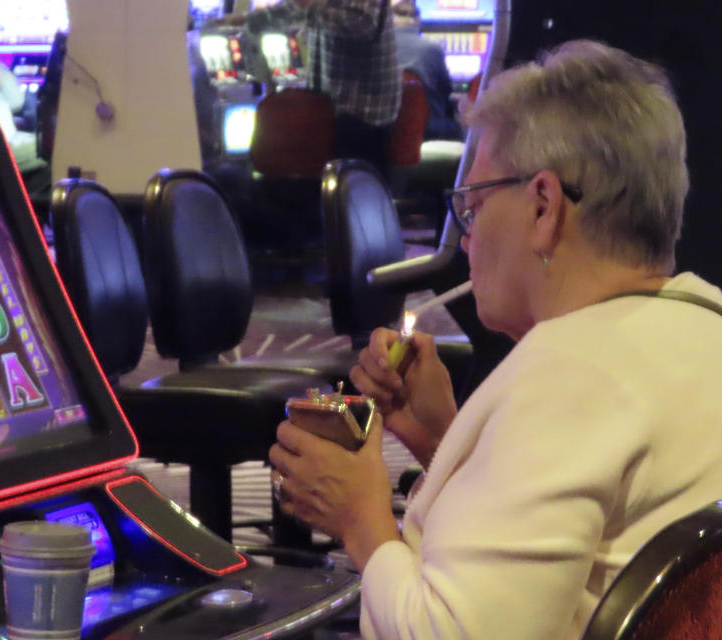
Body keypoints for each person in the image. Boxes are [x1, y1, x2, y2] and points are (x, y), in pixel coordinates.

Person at [268, 40, 722, 639]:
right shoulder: (703, 319)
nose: (470, 238)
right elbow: (567, 545)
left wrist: (362, 519)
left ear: (543, 206)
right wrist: (444, 442)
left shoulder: (569, 372)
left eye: (474, 207)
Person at [220, 0, 402, 177]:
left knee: (358, 192)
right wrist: (246, 21)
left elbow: (363, 24)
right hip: (332, 102)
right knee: (331, 188)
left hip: (364, 105)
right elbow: (297, 8)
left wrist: (311, 5)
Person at [392, 0, 462, 141]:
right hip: (428, 129)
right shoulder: (432, 48)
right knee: (464, 124)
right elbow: (446, 91)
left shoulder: (380, 49)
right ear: (417, 20)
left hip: (386, 129)